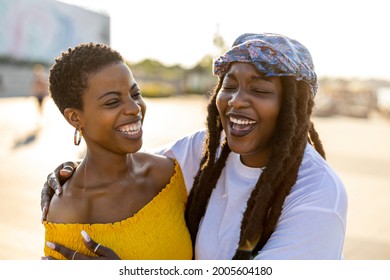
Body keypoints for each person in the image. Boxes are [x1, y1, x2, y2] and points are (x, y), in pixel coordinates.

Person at [42, 33, 348, 260]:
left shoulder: (317, 195)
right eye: (229, 86)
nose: (237, 100)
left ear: (293, 107)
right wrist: (69, 175)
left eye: (259, 89)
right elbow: (120, 168)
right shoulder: (203, 153)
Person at [42, 42, 192, 260]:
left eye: (135, 93)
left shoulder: (169, 174)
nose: (134, 108)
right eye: (112, 102)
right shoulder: (69, 212)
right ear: (75, 117)